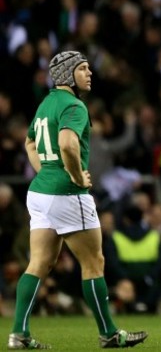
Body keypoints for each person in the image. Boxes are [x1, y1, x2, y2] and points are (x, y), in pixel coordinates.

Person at [7, 50, 148, 349]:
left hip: (40, 192)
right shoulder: (75, 105)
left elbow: (29, 141)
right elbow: (68, 144)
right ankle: (109, 333)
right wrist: (73, 174)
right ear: (67, 75)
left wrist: (47, 171)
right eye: (83, 68)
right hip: (67, 195)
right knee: (94, 263)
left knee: (39, 263)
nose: (89, 73)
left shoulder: (47, 103)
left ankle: (19, 333)